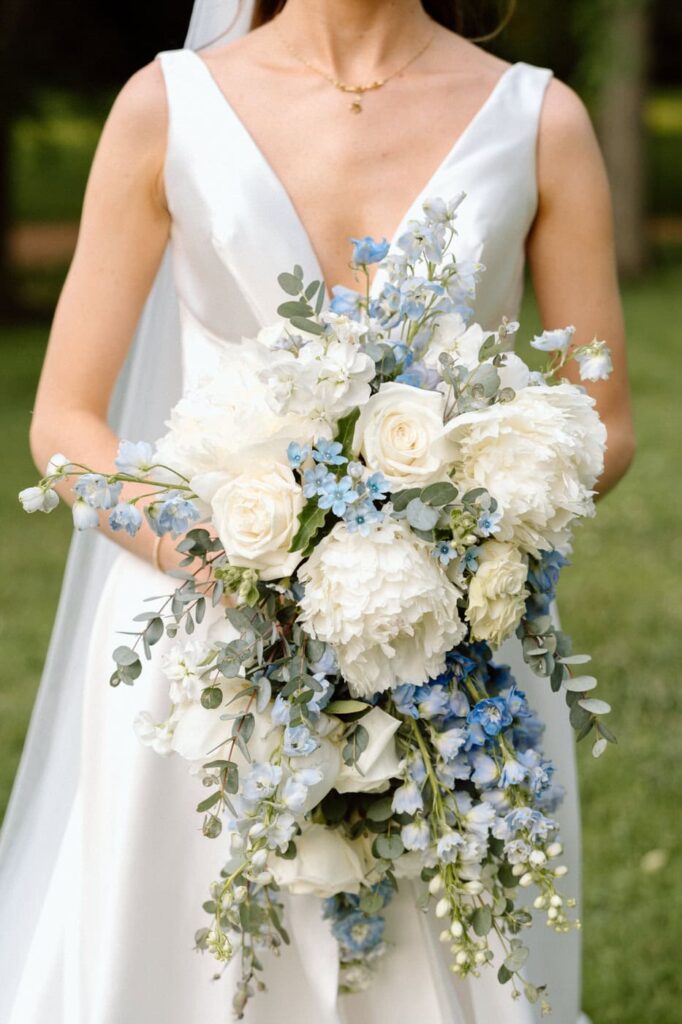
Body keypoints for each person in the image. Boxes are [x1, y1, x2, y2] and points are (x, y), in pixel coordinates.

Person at [1, 1, 635, 1021]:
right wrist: (239, 560)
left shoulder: (539, 120)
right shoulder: (166, 107)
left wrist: (447, 536)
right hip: (205, 650)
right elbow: (66, 425)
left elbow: (602, 418)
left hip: (449, 652)